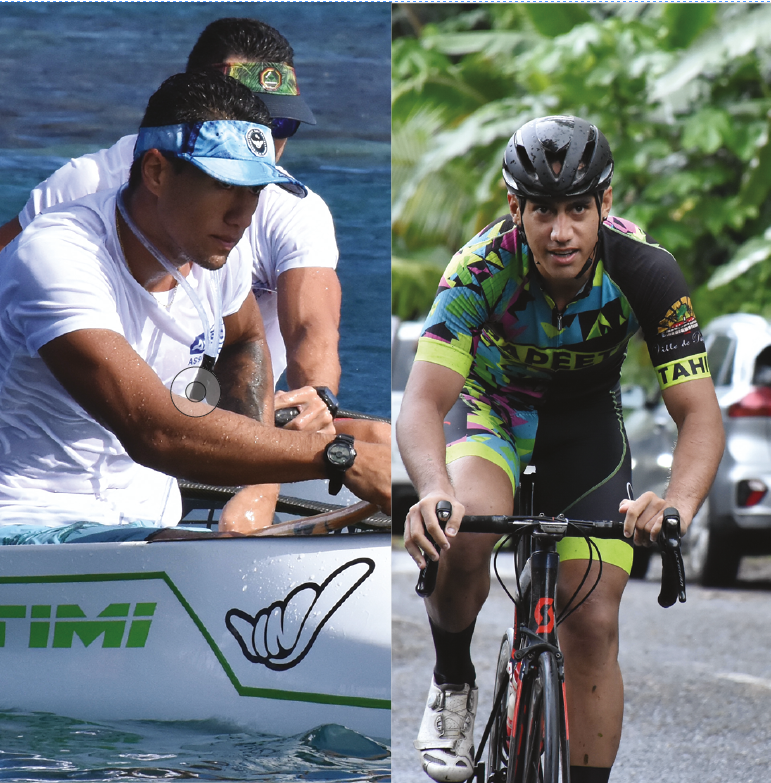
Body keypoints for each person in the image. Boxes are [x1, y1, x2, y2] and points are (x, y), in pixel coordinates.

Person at [398, 116, 724, 782]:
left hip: (585, 423)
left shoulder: (647, 270)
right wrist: (434, 489)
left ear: (604, 202)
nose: (560, 230)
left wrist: (678, 506)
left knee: (594, 618)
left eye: (578, 208)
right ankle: (452, 681)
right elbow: (424, 403)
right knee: (465, 530)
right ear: (514, 206)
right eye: (542, 210)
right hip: (490, 410)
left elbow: (698, 414)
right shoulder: (479, 267)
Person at [0, 17, 389, 529]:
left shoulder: (214, 248)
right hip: (32, 520)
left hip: (148, 513)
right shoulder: (57, 244)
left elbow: (251, 337)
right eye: (227, 184)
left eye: (255, 190)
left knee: (386, 441)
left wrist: (261, 477)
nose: (244, 214)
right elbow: (152, 431)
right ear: (156, 171)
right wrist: (336, 456)